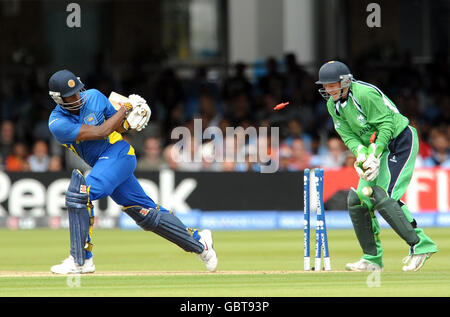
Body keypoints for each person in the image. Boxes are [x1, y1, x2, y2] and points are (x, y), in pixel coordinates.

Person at [47, 70, 217, 274]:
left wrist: (130, 121)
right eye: (70, 95)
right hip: (105, 162)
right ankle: (201, 244)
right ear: (58, 98)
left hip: (119, 153)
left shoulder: (93, 95)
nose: (77, 98)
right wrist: (124, 109)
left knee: (81, 194)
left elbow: (119, 129)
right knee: (145, 214)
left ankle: (81, 259)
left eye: (78, 91)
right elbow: (101, 131)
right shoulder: (57, 123)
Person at [315, 61, 438, 272]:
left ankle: (421, 245)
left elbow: (387, 125)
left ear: (345, 81)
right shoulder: (332, 105)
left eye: (332, 85)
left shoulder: (364, 94)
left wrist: (376, 152)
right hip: (373, 148)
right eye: (325, 86)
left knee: (383, 195)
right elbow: (348, 136)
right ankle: (372, 259)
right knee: (358, 199)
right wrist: (362, 154)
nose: (329, 90)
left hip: (399, 142)